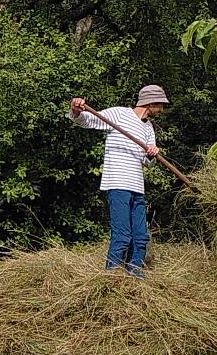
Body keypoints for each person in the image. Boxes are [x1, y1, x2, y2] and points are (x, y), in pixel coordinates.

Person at [68, 84, 169, 273]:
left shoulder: (148, 128)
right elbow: (87, 121)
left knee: (140, 238)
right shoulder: (119, 114)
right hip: (118, 184)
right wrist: (76, 109)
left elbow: (147, 162)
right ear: (151, 102)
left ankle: (135, 278)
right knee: (122, 236)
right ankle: (111, 279)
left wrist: (151, 154)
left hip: (137, 187)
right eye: (161, 105)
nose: (162, 110)